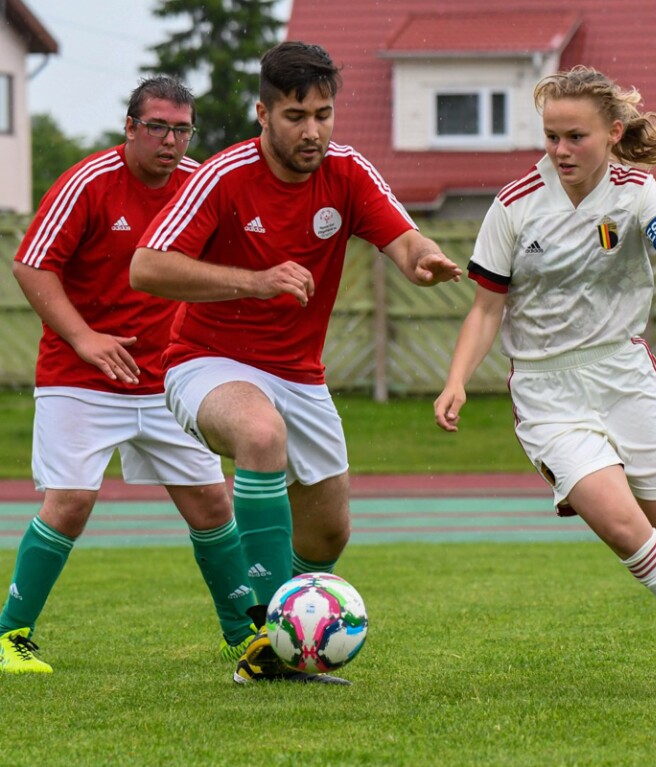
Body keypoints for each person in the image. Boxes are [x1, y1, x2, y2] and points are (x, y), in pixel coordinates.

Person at [130, 41, 462, 685]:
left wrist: (422, 259)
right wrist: (253, 282)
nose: (312, 131)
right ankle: (265, 636)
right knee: (260, 435)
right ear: (262, 114)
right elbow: (147, 267)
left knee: (328, 534)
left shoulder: (348, 172)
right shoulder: (223, 176)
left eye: (323, 114)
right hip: (205, 361)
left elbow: (403, 238)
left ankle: (288, 627)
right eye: (295, 116)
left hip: (299, 374)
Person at [434, 66, 656, 694]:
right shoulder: (513, 207)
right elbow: (486, 307)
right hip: (546, 393)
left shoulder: (639, 192)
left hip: (624, 377)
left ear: (612, 133)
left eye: (575, 137)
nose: (560, 150)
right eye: (552, 136)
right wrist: (455, 381)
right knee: (622, 528)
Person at [0, 77, 258, 676]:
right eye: (158, 127)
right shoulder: (88, 182)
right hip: (80, 376)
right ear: (130, 128)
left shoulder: (198, 185)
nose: (170, 141)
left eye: (181, 129)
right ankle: (11, 635)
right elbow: (31, 265)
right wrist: (85, 338)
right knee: (70, 503)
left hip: (167, 377)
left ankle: (243, 639)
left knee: (213, 504)